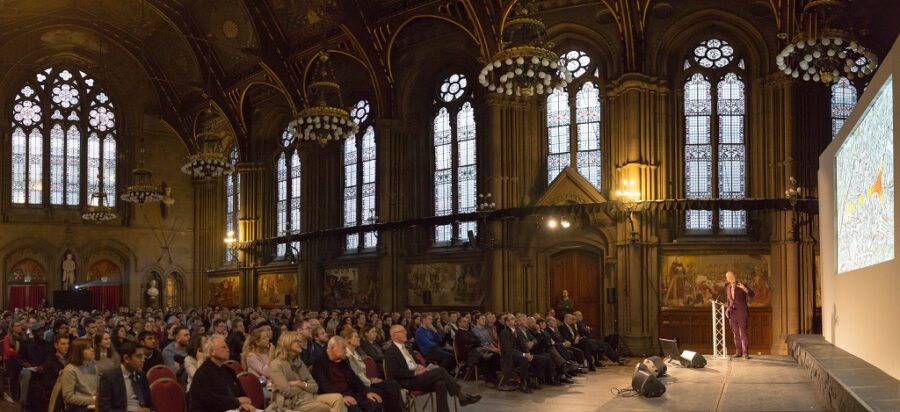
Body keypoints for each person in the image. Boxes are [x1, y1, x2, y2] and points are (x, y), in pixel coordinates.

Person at [384, 325, 481, 412]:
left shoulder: (407, 347)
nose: (405, 332)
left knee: (441, 384)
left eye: (405, 330)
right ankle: (461, 396)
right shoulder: (390, 352)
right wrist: (414, 373)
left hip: (417, 377)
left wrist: (419, 366)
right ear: (394, 335)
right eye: (402, 331)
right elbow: (394, 372)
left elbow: (414, 362)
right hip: (407, 381)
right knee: (441, 371)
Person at [312, 336, 397, 412]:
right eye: (343, 348)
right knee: (353, 408)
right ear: (332, 348)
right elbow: (323, 385)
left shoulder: (344, 360)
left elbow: (354, 378)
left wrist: (367, 392)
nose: (346, 351)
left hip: (351, 393)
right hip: (335, 396)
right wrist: (341, 396)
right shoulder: (320, 361)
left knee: (375, 403)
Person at [267, 331, 345, 412]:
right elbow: (286, 391)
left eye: (300, 341)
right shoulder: (276, 364)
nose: (300, 344)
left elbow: (315, 386)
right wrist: (306, 388)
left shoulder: (299, 361)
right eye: (297, 341)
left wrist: (299, 384)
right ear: (287, 343)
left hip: (309, 397)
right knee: (324, 408)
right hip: (293, 402)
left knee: (338, 398)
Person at [187, 335, 255, 412]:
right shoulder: (203, 373)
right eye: (223, 347)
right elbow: (209, 401)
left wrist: (244, 404)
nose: (228, 350)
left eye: (227, 347)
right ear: (212, 352)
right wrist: (237, 402)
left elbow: (242, 394)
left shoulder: (229, 370)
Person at [342, 328, 402, 412]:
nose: (359, 338)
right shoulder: (347, 356)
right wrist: (370, 381)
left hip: (366, 382)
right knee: (387, 390)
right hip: (361, 387)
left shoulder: (355, 352)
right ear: (348, 340)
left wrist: (370, 379)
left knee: (392, 383)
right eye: (356, 337)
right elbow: (356, 376)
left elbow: (361, 373)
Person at [98, 340, 154, 412]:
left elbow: (150, 404)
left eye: (143, 356)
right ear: (126, 358)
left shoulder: (142, 376)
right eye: (139, 356)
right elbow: (104, 410)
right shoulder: (109, 377)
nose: (143, 360)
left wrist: (149, 410)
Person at [26, 334, 69, 412]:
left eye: (67, 344)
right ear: (56, 345)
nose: (66, 346)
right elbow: (46, 383)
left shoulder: (70, 360)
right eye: (63, 344)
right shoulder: (49, 362)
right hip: (54, 395)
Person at [60, 338, 99, 412]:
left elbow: (97, 389)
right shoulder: (70, 369)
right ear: (79, 352)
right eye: (88, 348)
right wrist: (92, 400)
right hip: (77, 407)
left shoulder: (94, 366)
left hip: (93, 404)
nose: (92, 350)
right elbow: (68, 397)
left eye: (92, 347)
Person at [725, 271, 755, 359]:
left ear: (734, 275)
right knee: (736, 334)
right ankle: (738, 352)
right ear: (727, 279)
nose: (730, 278)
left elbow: (751, 294)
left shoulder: (742, 285)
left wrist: (744, 288)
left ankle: (745, 353)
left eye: (731, 275)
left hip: (741, 312)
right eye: (728, 277)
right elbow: (729, 300)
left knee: (743, 333)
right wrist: (727, 309)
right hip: (732, 313)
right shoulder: (728, 287)